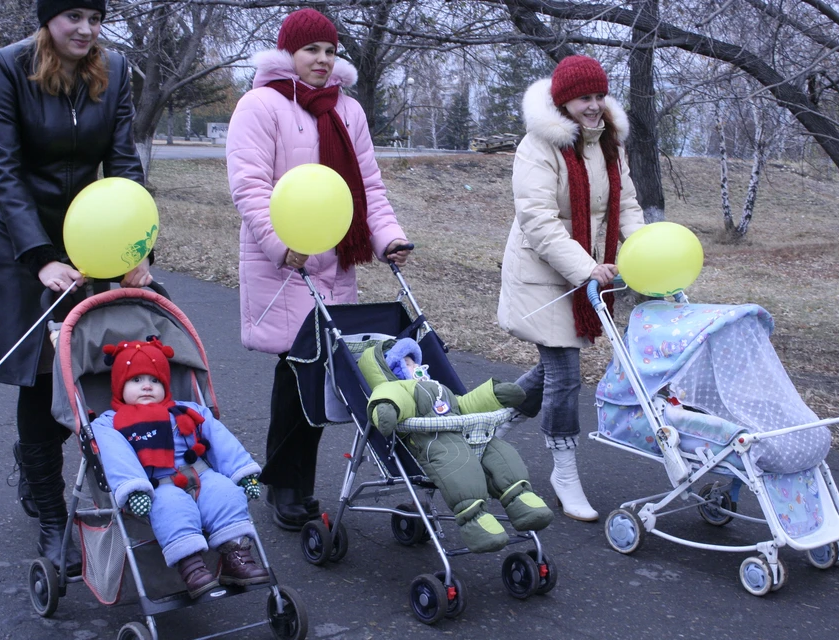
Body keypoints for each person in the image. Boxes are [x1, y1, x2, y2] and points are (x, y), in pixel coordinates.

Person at [0, 0, 148, 576]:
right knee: (42, 373)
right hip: (18, 236)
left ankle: (69, 471)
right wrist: (41, 256)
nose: (86, 30)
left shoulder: (114, 70)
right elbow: (5, 171)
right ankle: (52, 518)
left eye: (95, 18)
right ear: (47, 19)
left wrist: (136, 251)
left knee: (97, 358)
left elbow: (122, 164)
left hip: (89, 231)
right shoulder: (7, 68)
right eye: (73, 16)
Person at [226, 8, 411, 531]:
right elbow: (250, 183)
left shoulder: (346, 111)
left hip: (335, 265)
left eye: (330, 51)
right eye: (311, 50)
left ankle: (293, 484)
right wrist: (280, 241)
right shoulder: (260, 105)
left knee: (322, 373)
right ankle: (284, 485)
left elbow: (366, 188)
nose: (322, 61)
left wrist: (388, 239)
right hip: (285, 261)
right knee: (297, 373)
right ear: (289, 54)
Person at [496, 55, 646, 522]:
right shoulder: (538, 145)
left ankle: (487, 427)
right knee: (564, 370)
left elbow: (626, 205)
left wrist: (645, 252)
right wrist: (587, 268)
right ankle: (564, 472)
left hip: (585, 271)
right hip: (544, 274)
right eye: (585, 97)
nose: (595, 105)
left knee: (552, 369)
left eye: (600, 95)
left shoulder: (609, 144)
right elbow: (538, 220)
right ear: (564, 100)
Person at [90, 338, 269, 598]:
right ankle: (192, 566)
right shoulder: (111, 423)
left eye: (155, 381)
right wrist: (134, 490)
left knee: (227, 494)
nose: (147, 386)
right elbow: (118, 458)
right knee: (171, 509)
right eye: (136, 380)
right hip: (158, 485)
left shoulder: (188, 410)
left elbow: (221, 441)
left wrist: (243, 474)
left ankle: (236, 556)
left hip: (202, 473)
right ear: (119, 386)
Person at [360, 338, 554, 553]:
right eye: (407, 363)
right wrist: (385, 409)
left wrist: (495, 394)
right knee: (459, 463)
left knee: (498, 451)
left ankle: (520, 498)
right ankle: (475, 520)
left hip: (465, 434)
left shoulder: (437, 387)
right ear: (393, 369)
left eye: (414, 361)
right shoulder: (398, 388)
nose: (415, 366)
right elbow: (388, 398)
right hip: (432, 444)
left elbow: (462, 405)